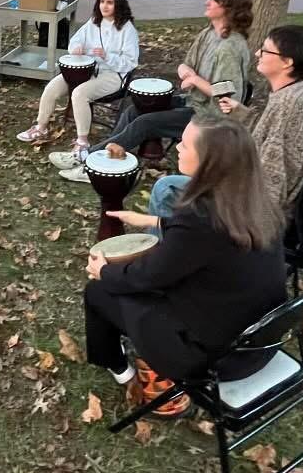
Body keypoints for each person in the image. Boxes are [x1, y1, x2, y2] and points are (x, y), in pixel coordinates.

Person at [82, 119, 287, 398]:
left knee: (98, 291)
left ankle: (118, 367)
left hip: (214, 359)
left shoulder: (200, 217)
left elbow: (148, 276)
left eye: (186, 144)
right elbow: (215, 243)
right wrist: (156, 221)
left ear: (208, 163)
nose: (177, 147)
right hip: (258, 344)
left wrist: (105, 271)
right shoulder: (258, 202)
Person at [52, 0, 254, 182]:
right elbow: (186, 65)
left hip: (210, 116)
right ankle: (103, 158)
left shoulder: (230, 47)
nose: (207, 1)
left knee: (145, 122)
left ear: (228, 7)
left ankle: (89, 160)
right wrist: (186, 71)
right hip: (192, 100)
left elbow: (229, 96)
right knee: (134, 109)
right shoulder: (208, 33)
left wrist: (194, 79)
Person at [218, 24, 303, 211]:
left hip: (257, 213)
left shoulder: (289, 105)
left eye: (265, 50)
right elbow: (272, 136)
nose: (257, 54)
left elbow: (272, 178)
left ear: (287, 62)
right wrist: (241, 113)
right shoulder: (298, 92)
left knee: (169, 188)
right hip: (254, 196)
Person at [17, 0, 138, 160]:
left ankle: (82, 141)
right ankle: (40, 127)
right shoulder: (94, 22)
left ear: (118, 4)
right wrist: (76, 48)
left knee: (79, 94)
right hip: (85, 70)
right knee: (52, 87)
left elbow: (131, 62)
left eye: (110, 2)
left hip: (112, 75)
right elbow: (75, 41)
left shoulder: (127, 29)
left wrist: (107, 56)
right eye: (102, 2)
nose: (105, 6)